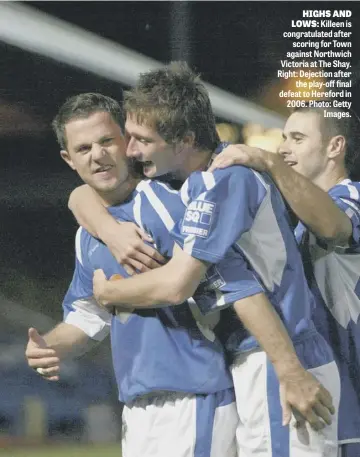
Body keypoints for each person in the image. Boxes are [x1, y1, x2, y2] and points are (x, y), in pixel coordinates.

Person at [69, 63, 339, 457]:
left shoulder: (224, 180)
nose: (130, 150)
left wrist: (111, 292)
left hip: (280, 356)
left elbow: (178, 284)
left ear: (184, 141)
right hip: (258, 358)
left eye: (142, 139)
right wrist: (94, 214)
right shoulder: (196, 181)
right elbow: (90, 193)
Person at [25, 92, 239, 457]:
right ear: (69, 159)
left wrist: (116, 293)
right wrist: (52, 346)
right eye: (84, 148)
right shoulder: (86, 236)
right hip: (137, 406)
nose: (98, 154)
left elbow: (205, 284)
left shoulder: (172, 202)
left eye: (107, 140)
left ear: (128, 142)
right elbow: (89, 312)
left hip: (195, 395)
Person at [208, 105, 360, 457]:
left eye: (297, 138)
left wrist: (268, 162)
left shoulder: (351, 197)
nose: (283, 148)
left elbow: (335, 228)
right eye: (283, 139)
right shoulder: (294, 221)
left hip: (351, 391)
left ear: (335, 147)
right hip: (322, 391)